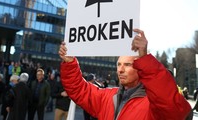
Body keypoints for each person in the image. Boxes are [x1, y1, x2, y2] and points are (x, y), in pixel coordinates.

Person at [58, 29, 192, 120]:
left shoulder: (153, 104)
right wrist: (70, 63)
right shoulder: (109, 96)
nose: (120, 70)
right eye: (118, 64)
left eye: (127, 65)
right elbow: (79, 90)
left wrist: (145, 58)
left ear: (141, 68)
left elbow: (171, 108)